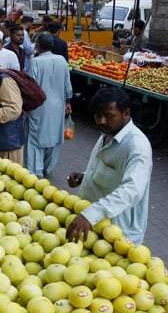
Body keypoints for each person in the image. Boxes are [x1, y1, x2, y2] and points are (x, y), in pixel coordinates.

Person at [65, 88, 152, 245]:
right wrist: (85, 176)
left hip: (116, 231)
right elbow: (109, 170)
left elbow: (132, 190)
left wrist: (91, 215)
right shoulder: (108, 133)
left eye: (109, 116)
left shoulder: (137, 146)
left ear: (126, 113)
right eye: (98, 116)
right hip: (91, 223)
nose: (102, 121)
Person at [25, 34, 73, 177]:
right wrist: (68, 102)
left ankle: (35, 171)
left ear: (38, 46)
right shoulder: (62, 60)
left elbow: (30, 87)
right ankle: (48, 168)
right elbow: (67, 84)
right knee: (54, 137)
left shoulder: (36, 62)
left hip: (39, 106)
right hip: (58, 106)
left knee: (35, 138)